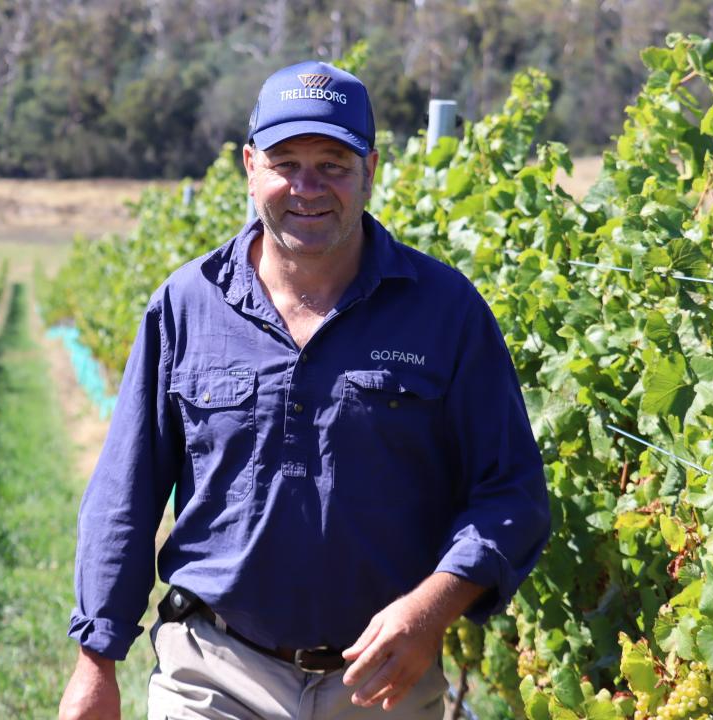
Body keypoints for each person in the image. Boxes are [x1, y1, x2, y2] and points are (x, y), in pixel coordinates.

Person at [58, 60, 550, 720]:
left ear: (371, 169)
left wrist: (431, 609)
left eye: (334, 165)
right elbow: (126, 491)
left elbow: (511, 492)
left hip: (381, 682)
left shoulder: (446, 311)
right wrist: (96, 660)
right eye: (287, 162)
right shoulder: (186, 305)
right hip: (213, 669)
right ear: (250, 165)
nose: (308, 187)